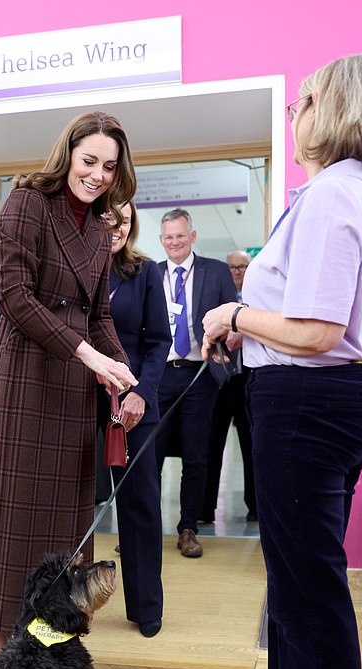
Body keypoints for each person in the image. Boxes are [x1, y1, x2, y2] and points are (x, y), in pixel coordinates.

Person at [202, 54, 362, 669]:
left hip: (308, 401)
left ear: (336, 106)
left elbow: (316, 330)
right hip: (324, 399)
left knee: (309, 588)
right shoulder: (348, 195)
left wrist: (235, 315)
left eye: (304, 100)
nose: (294, 113)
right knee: (293, 579)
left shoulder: (328, 201)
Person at [0, 112, 138, 666]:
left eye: (109, 167)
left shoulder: (100, 227)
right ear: (67, 154)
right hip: (22, 387)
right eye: (89, 161)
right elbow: (14, 296)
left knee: (65, 539)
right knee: (11, 533)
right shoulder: (24, 203)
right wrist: (86, 353)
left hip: (71, 399)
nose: (98, 175)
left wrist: (127, 381)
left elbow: (100, 314)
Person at [98, 201, 171, 637]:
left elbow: (160, 341)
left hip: (134, 409)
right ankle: (69, 605)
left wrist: (141, 392)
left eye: (123, 221)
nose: (116, 228)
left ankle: (146, 608)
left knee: (139, 505)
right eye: (107, 220)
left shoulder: (144, 271)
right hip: (81, 405)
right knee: (74, 508)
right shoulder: (74, 268)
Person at [155, 208, 237, 558]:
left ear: (192, 236)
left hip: (199, 375)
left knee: (196, 454)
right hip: (158, 377)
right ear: (162, 241)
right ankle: (143, 528)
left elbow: (233, 317)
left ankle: (188, 527)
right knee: (149, 456)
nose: (174, 241)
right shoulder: (150, 274)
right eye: (168, 237)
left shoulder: (215, 271)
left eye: (180, 235)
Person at [199, 250, 257, 524]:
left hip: (248, 380)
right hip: (220, 380)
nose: (236, 272)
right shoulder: (217, 300)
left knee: (251, 445)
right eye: (232, 267)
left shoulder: (258, 300)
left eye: (242, 267)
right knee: (212, 443)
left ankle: (255, 506)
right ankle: (205, 507)